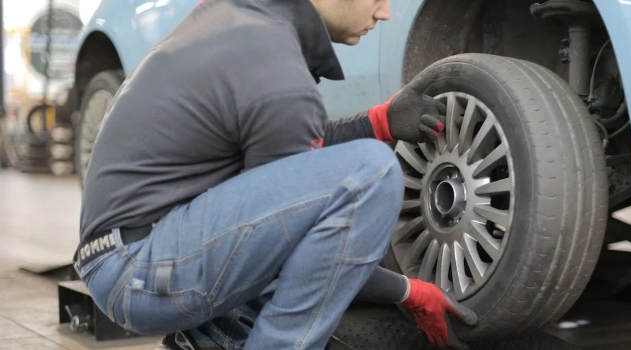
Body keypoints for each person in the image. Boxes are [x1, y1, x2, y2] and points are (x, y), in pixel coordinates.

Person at [72, 0, 479, 349]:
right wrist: (408, 292)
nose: (385, 11)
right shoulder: (275, 66)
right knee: (371, 174)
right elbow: (292, 234)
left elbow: (285, 173)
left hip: (126, 257)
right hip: (142, 269)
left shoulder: (249, 25)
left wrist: (378, 121)